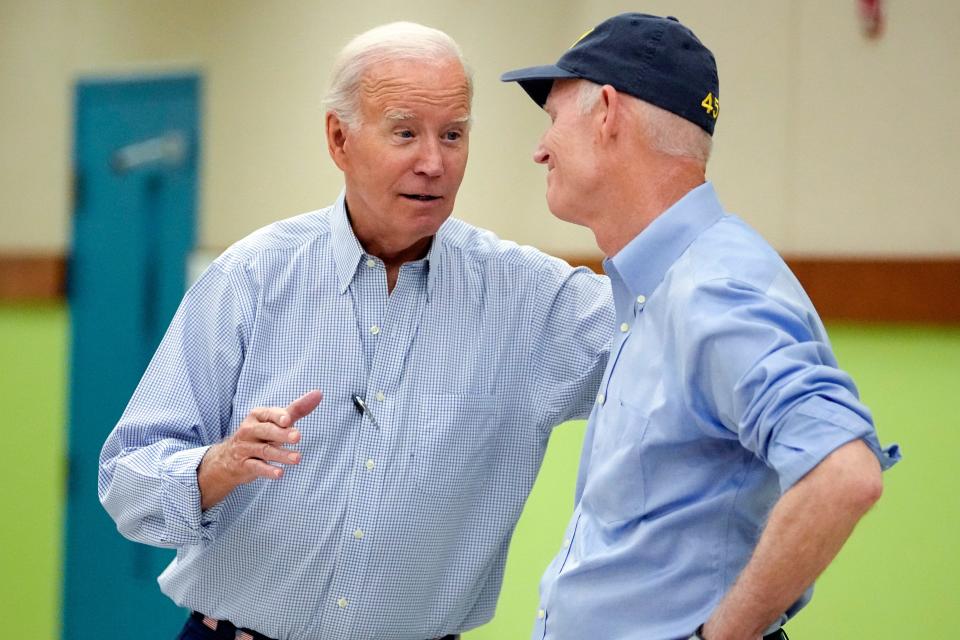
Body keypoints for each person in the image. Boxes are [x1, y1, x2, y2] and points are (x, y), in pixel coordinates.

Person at [99, 22, 613, 640]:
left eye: (453, 135)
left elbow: (677, 343)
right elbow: (124, 479)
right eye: (405, 133)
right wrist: (220, 465)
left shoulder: (530, 301)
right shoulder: (252, 277)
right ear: (339, 139)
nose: (433, 162)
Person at [502, 12, 900, 640]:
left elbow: (843, 473)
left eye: (553, 120)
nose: (540, 148)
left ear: (607, 111)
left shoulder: (714, 289)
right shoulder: (659, 288)